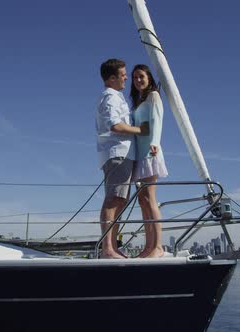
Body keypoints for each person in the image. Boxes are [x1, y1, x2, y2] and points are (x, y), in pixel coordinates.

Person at [96, 59, 148, 259]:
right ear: (112, 78)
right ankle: (108, 249)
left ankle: (111, 247)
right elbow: (115, 126)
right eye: (123, 74)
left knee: (119, 200)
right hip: (117, 153)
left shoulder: (116, 97)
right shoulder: (109, 98)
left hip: (123, 154)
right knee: (114, 199)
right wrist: (141, 130)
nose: (127, 77)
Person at [130, 64, 168, 258]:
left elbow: (157, 119)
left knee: (150, 198)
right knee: (142, 200)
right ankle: (148, 246)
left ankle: (158, 247)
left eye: (141, 77)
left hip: (151, 152)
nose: (138, 80)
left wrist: (155, 142)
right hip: (139, 154)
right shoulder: (138, 101)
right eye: (135, 77)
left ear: (149, 78)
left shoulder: (153, 95)